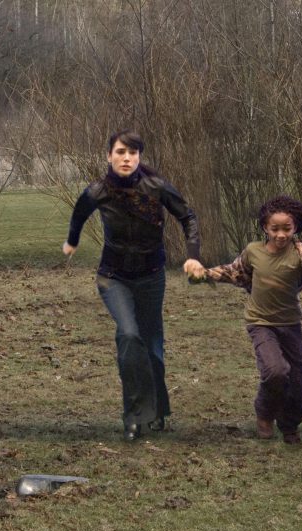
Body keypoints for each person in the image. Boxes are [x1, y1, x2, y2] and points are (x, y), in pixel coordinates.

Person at [63, 129, 205, 441]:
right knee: (129, 336)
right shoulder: (98, 190)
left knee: (152, 345)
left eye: (133, 153)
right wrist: (71, 241)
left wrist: (193, 255)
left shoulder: (156, 187)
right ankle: (134, 416)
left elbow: (188, 217)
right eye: (120, 152)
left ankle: (159, 411)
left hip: (151, 275)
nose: (127, 158)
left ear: (139, 157)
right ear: (109, 156)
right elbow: (79, 213)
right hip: (113, 277)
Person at [200, 196, 302, 444]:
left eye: (287, 228)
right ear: (265, 227)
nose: (281, 234)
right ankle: (264, 412)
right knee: (276, 371)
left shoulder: (301, 252)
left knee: (296, 377)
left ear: (296, 228)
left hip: (290, 324)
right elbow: (234, 271)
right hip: (260, 322)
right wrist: (205, 274)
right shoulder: (253, 252)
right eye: (275, 229)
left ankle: (290, 424)